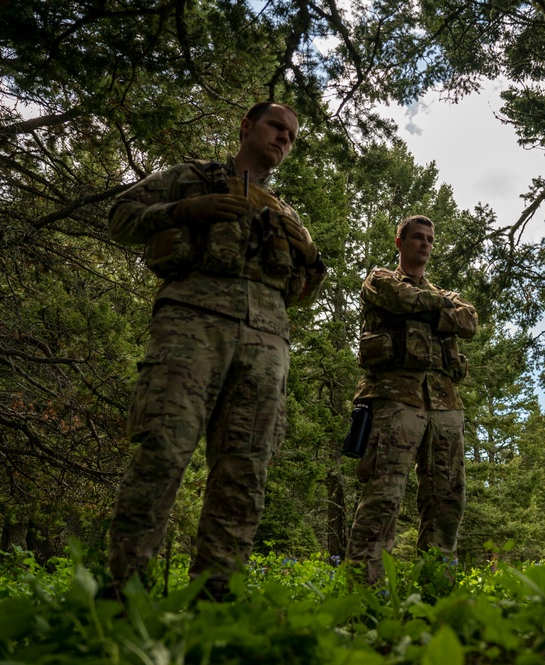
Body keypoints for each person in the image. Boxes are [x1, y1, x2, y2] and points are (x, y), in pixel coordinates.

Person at [106, 102, 326, 599]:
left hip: (267, 341)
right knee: (163, 450)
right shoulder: (191, 179)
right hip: (191, 323)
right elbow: (120, 217)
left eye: (291, 136)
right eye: (276, 127)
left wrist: (310, 257)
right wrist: (186, 210)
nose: (283, 139)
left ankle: (214, 598)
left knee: (245, 470)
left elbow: (299, 291)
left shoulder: (285, 214)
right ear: (247, 127)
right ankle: (124, 594)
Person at [346, 214, 478, 584]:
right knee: (385, 494)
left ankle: (436, 586)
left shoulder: (446, 295)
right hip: (393, 400)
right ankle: (365, 589)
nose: (425, 244)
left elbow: (470, 321)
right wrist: (441, 309)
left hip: (444, 404)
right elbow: (400, 298)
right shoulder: (379, 279)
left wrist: (430, 305)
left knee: (447, 497)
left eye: (430, 239)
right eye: (417, 237)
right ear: (399, 241)